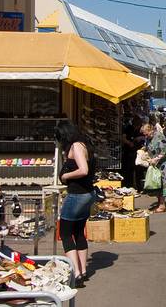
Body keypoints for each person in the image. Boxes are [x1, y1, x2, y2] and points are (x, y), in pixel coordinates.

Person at [56, 120, 95, 284]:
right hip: (87, 194)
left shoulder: (76, 146)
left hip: (77, 195)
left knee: (65, 232)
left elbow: (83, 169)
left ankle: (77, 273)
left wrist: (66, 176)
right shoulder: (84, 145)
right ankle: (83, 271)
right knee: (78, 231)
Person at [141, 123, 166, 213]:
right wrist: (143, 151)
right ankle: (159, 202)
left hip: (163, 163)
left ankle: (162, 205)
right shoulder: (148, 137)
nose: (145, 136)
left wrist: (156, 159)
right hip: (154, 162)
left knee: (162, 182)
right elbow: (147, 147)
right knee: (155, 182)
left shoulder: (159, 136)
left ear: (150, 130)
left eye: (146, 133)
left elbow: (165, 150)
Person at [120, 115, 141, 190]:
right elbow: (123, 138)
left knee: (137, 169)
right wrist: (129, 143)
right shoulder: (128, 128)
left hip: (136, 152)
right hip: (128, 151)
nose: (137, 126)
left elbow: (143, 137)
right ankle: (128, 185)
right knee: (128, 169)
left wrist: (140, 138)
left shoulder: (139, 129)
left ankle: (137, 186)